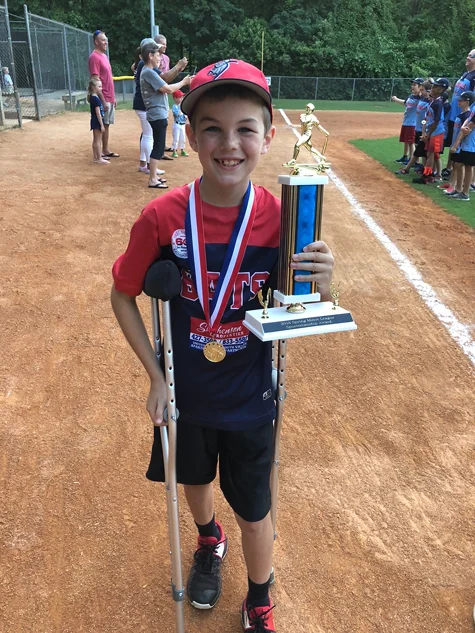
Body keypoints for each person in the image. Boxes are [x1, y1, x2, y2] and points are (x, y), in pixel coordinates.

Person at [111, 58, 336, 633]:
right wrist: (156, 377)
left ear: (268, 135)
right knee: (193, 481)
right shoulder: (162, 216)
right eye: (212, 127)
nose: (228, 143)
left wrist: (319, 283)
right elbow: (122, 294)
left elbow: (296, 300)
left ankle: (260, 596)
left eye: (244, 129)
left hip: (250, 396)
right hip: (186, 394)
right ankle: (210, 541)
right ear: (190, 136)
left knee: (256, 507)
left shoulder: (282, 219)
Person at [139, 40, 191, 188]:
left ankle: (154, 176)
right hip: (157, 114)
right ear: (150, 56)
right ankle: (152, 179)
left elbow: (165, 81)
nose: (160, 58)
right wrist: (184, 82)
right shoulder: (148, 72)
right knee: (159, 147)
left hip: (157, 114)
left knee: (158, 145)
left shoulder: (149, 71)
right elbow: (167, 89)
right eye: (157, 55)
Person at [442, 48, 475, 178]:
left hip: (464, 117)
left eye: (471, 56)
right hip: (454, 115)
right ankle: (449, 169)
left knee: (462, 146)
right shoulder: (466, 74)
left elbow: (472, 99)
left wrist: (468, 116)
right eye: (468, 55)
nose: (467, 58)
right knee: (453, 143)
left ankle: (463, 179)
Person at [88, 30, 119, 159]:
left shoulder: (104, 56)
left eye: (106, 40)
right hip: (103, 96)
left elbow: (108, 77)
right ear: (96, 42)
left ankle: (105, 149)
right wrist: (103, 100)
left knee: (106, 124)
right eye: (103, 40)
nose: (106, 42)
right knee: (100, 125)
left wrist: (113, 96)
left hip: (109, 95)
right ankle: (99, 153)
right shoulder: (94, 57)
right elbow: (95, 82)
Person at [413, 78, 448, 185]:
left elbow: (436, 121)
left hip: (436, 132)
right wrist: (424, 132)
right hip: (430, 131)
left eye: (435, 87)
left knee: (431, 153)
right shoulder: (432, 101)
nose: (432, 89)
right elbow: (426, 119)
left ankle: (427, 176)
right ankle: (430, 174)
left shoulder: (438, 103)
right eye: (433, 86)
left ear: (441, 90)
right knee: (430, 153)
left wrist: (427, 134)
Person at [396, 80, 431, 175]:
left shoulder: (428, 101)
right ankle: (420, 166)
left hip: (420, 127)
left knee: (420, 149)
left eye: (422, 89)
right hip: (418, 127)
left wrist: (424, 124)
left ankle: (414, 166)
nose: (420, 90)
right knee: (417, 146)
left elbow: (427, 118)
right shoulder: (421, 99)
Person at [442, 91, 474, 196]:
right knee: (459, 165)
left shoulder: (470, 112)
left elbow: (467, 128)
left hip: (469, 145)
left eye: (462, 100)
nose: (459, 101)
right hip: (464, 144)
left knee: (464, 166)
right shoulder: (471, 110)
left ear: (468, 101)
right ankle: (458, 189)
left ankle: (463, 192)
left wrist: (456, 144)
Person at [391, 78, 423, 165]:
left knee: (411, 142)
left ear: (420, 87)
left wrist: (421, 92)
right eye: (412, 84)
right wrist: (396, 99)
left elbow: (425, 96)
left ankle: (412, 160)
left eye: (414, 85)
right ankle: (405, 156)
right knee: (406, 141)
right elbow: (405, 103)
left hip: (413, 123)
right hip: (406, 122)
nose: (412, 86)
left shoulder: (420, 98)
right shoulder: (411, 96)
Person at [87, 77, 108, 164]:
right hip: (97, 120)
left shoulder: (93, 97)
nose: (101, 88)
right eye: (99, 87)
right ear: (94, 88)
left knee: (95, 140)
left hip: (94, 120)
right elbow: (98, 113)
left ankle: (95, 157)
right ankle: (99, 158)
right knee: (98, 140)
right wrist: (102, 125)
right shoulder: (95, 99)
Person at [171, 90, 189, 157]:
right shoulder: (175, 106)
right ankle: (174, 151)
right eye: (180, 97)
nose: (182, 99)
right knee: (176, 138)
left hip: (182, 124)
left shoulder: (182, 106)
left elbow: (185, 116)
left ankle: (182, 150)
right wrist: (181, 108)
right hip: (177, 125)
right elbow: (177, 114)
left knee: (182, 138)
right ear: (175, 98)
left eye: (182, 97)